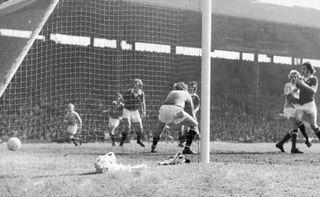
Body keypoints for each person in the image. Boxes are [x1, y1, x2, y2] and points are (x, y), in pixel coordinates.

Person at [151, 81, 198, 154]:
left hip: (163, 108)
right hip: (177, 109)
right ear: (185, 88)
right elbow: (192, 111)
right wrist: (194, 120)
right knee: (194, 125)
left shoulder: (171, 92)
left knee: (158, 130)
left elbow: (167, 103)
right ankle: (187, 148)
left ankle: (153, 147)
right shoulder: (186, 93)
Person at [275, 70, 311, 154]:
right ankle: (296, 146)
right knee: (297, 125)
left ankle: (281, 144)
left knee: (295, 128)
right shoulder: (288, 85)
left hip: (294, 109)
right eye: (292, 77)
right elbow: (288, 94)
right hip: (288, 108)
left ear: (297, 78)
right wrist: (291, 92)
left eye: (295, 77)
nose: (293, 78)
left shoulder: (298, 88)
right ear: (290, 77)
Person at [295, 62, 320, 143]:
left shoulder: (314, 79)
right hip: (301, 103)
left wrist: (303, 84)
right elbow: (296, 90)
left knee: (313, 125)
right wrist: (290, 92)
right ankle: (307, 138)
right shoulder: (300, 79)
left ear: (309, 70)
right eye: (302, 68)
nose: (302, 70)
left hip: (310, 103)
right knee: (297, 120)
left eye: (304, 69)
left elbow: (313, 91)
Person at [119, 79, 146, 147]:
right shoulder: (129, 92)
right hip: (127, 110)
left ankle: (139, 141)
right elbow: (122, 98)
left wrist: (144, 111)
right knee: (128, 126)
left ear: (140, 86)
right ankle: (121, 143)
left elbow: (143, 103)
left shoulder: (141, 93)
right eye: (134, 84)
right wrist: (119, 103)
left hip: (135, 111)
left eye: (136, 85)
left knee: (140, 128)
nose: (135, 86)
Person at [178, 81, 200, 148]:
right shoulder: (186, 95)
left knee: (192, 127)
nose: (191, 87)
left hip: (192, 114)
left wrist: (194, 111)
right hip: (185, 113)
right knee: (182, 128)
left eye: (193, 86)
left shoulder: (196, 97)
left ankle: (197, 137)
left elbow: (198, 106)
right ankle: (182, 141)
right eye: (191, 86)